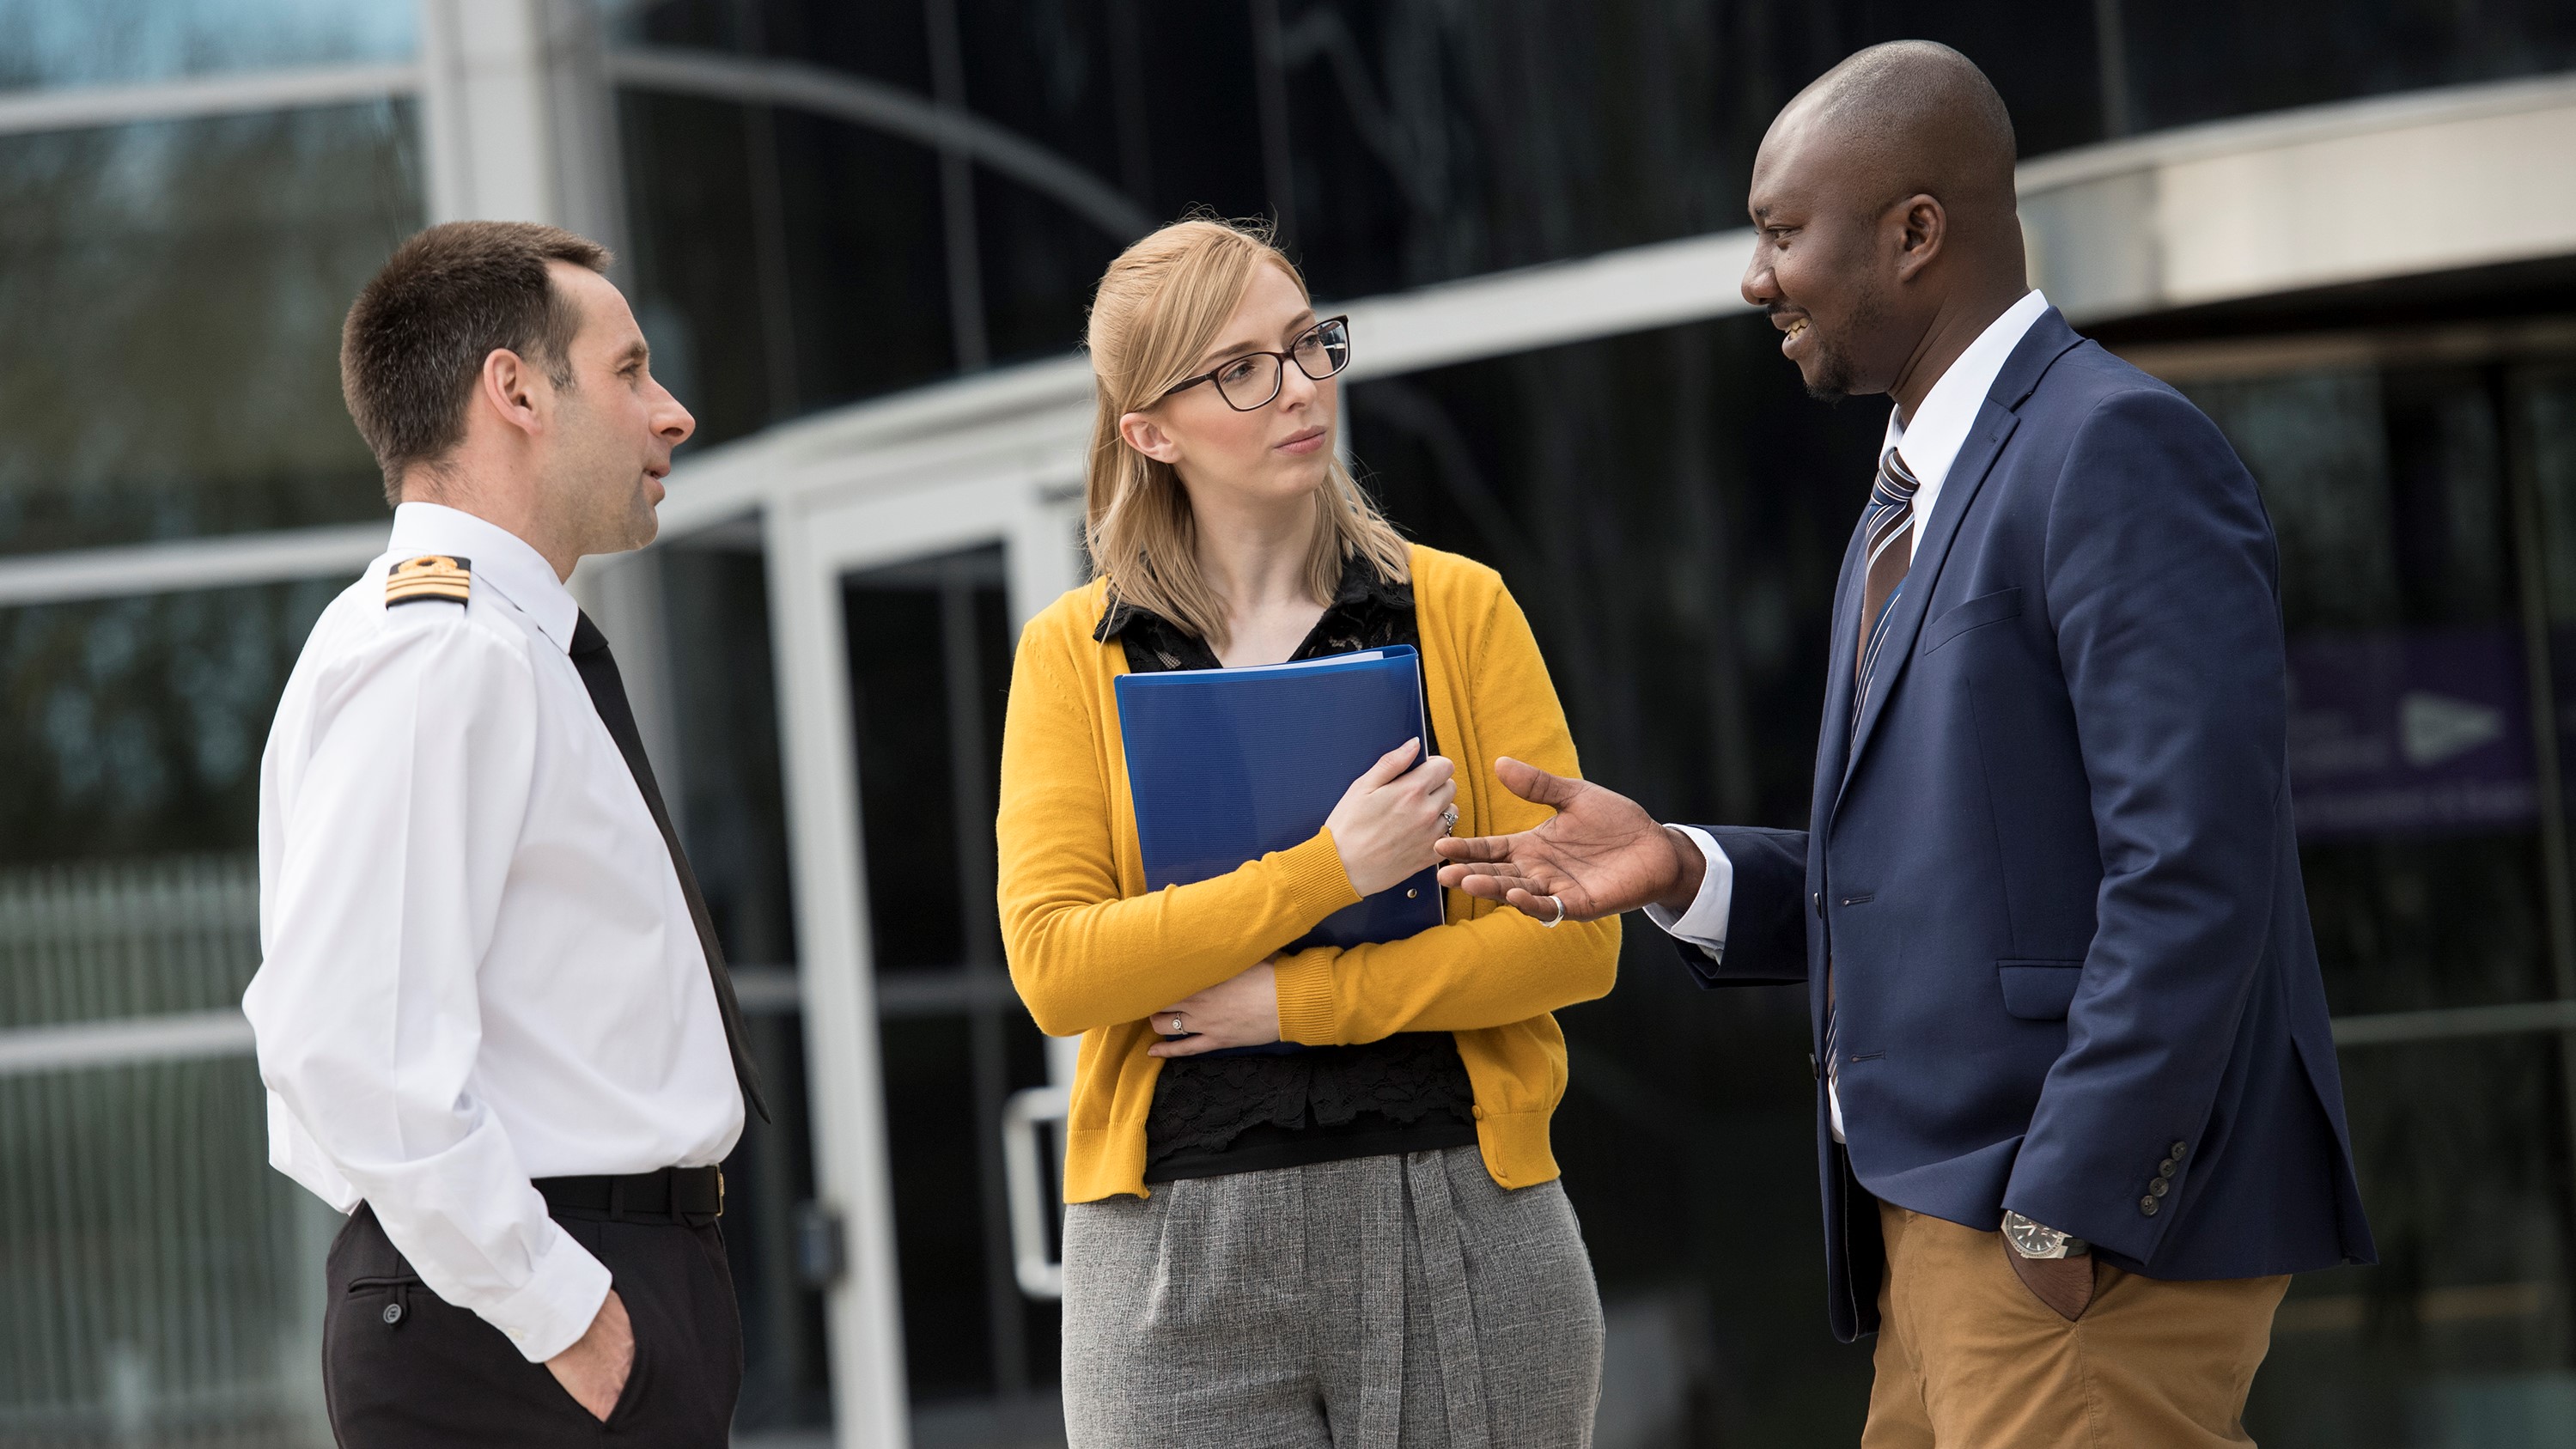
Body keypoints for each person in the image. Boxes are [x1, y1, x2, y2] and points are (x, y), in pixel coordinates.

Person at [1437, 42, 2375, 1448]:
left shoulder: (2114, 448)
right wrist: (1679, 867)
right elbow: (1946, 870)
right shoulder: (1903, 501)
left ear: (1916, 233)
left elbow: (2195, 866)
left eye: (1780, 232)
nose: (1758, 278)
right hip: (1934, 1237)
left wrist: (2067, 1199)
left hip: (2069, 1237)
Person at [997, 216, 1618, 1446]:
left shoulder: (1459, 609)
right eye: (1242, 369)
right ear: (1149, 431)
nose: (1299, 388)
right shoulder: (1075, 654)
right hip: (1172, 1251)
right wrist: (1332, 872)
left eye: (1306, 345)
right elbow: (1060, 968)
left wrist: (1292, 1004)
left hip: (1460, 1211)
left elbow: (1574, 940)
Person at [242, 221, 763, 1448]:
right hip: (526, 1324)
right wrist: (572, 1316)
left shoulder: (488, 646)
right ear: (516, 389)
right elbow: (345, 1044)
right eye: (632, 370)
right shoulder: (442, 651)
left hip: (555, 1300)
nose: (672, 412)